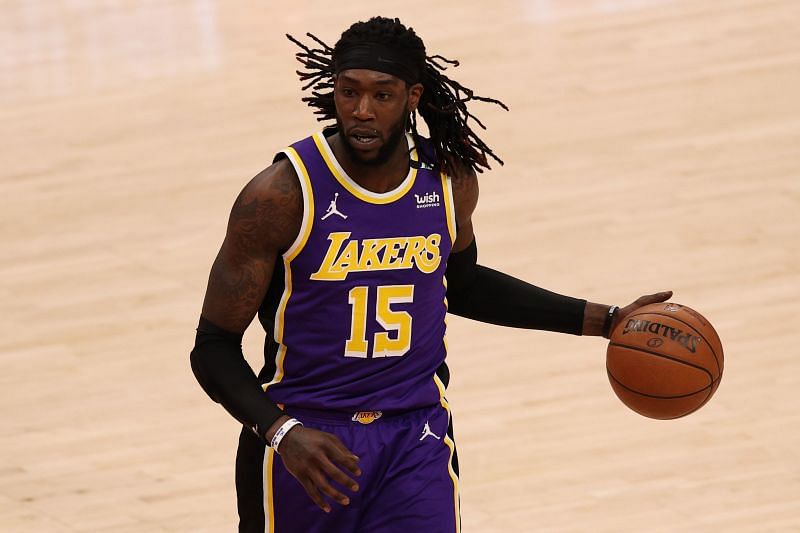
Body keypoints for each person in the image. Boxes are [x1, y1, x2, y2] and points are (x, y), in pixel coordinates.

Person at [190, 16, 671, 533]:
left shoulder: (448, 183)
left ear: (413, 96)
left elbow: (464, 286)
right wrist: (281, 432)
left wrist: (608, 320)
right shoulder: (280, 195)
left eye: (382, 95)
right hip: (309, 441)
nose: (361, 112)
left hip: (414, 436)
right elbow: (213, 346)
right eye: (348, 92)